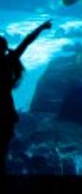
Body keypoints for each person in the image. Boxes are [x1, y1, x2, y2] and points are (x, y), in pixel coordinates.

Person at [1, 19, 51, 182]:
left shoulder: (8, 61)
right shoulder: (9, 60)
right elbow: (27, 41)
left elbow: (26, 41)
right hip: (6, 110)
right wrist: (42, 28)